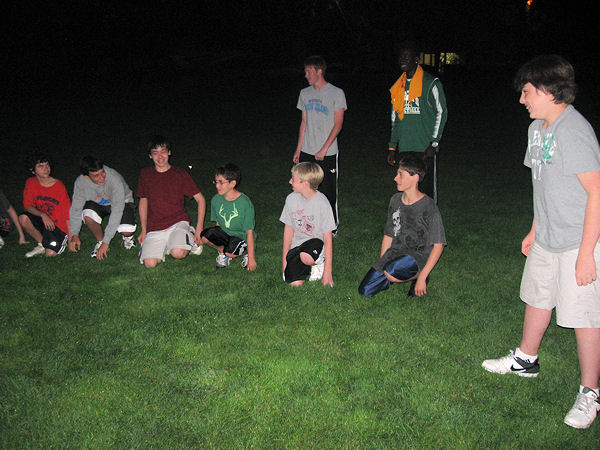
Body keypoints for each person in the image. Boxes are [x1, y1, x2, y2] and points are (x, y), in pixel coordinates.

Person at [481, 55, 600, 430]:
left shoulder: (574, 131)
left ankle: (590, 392)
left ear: (549, 91)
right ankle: (526, 359)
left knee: (584, 317)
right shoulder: (537, 130)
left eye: (527, 92)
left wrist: (586, 254)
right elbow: (542, 186)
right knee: (537, 297)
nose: (522, 100)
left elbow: (596, 193)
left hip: (578, 240)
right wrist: (535, 229)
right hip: (547, 236)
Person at [358, 153, 445, 298]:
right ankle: (395, 273)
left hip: (418, 255)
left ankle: (417, 275)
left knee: (392, 270)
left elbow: (438, 245)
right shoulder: (395, 200)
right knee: (365, 291)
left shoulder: (428, 206)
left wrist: (423, 276)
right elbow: (388, 234)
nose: (395, 178)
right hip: (396, 252)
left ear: (415, 178)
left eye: (400, 175)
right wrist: (382, 263)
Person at [387, 40, 447, 203]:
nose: (403, 60)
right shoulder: (398, 87)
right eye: (401, 57)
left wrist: (434, 143)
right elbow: (395, 120)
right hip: (405, 147)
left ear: (416, 59)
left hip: (424, 149)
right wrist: (392, 147)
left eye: (407, 57)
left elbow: (441, 112)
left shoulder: (430, 83)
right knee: (406, 193)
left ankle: (428, 220)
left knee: (426, 194)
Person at [293, 55, 347, 232]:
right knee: (304, 189)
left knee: (328, 190)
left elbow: (338, 124)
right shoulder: (304, 93)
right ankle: (310, 223)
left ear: (319, 71)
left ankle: (332, 226)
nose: (306, 75)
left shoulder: (336, 93)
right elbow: (303, 122)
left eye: (309, 71)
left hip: (328, 152)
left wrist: (324, 148)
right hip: (307, 150)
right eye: (305, 71)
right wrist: (298, 149)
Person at [137, 136, 205, 268]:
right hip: (155, 226)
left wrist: (199, 228)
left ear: (169, 152)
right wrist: (143, 230)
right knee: (149, 264)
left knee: (178, 253)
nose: (160, 157)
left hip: (177, 222)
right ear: (150, 156)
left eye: (163, 151)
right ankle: (168, 243)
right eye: (155, 153)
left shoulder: (179, 174)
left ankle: (188, 235)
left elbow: (200, 200)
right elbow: (143, 201)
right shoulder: (145, 175)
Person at [68, 156, 137, 260]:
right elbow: (76, 209)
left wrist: (107, 241)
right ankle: (100, 241)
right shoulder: (81, 183)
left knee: (126, 229)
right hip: (100, 204)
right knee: (87, 214)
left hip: (123, 202)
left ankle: (128, 238)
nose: (102, 177)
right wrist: (74, 234)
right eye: (96, 175)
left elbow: (117, 210)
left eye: (102, 172)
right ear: (87, 176)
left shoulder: (114, 178)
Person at [280, 162, 335, 287]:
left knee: (306, 256)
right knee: (294, 283)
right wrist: (285, 262)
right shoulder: (291, 199)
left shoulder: (322, 203)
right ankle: (307, 267)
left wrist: (328, 272)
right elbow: (288, 231)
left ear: (305, 184)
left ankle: (318, 262)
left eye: (293, 179)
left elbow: (328, 238)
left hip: (316, 243)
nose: (290, 181)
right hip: (297, 246)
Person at [200, 163, 257, 270]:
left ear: (232, 183)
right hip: (226, 235)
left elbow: (249, 232)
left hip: (241, 237)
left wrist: (252, 259)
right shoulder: (216, 200)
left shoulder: (245, 203)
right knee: (204, 237)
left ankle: (245, 253)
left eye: (221, 182)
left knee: (230, 252)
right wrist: (217, 238)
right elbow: (218, 224)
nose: (217, 186)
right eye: (216, 182)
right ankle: (224, 252)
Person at [19, 153, 71, 258]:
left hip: (58, 227)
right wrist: (43, 215)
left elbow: (68, 214)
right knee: (23, 218)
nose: (46, 168)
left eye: (47, 165)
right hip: (44, 221)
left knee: (50, 254)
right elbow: (28, 206)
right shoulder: (31, 183)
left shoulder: (58, 186)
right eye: (40, 166)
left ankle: (55, 242)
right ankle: (42, 244)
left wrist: (71, 239)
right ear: (32, 170)